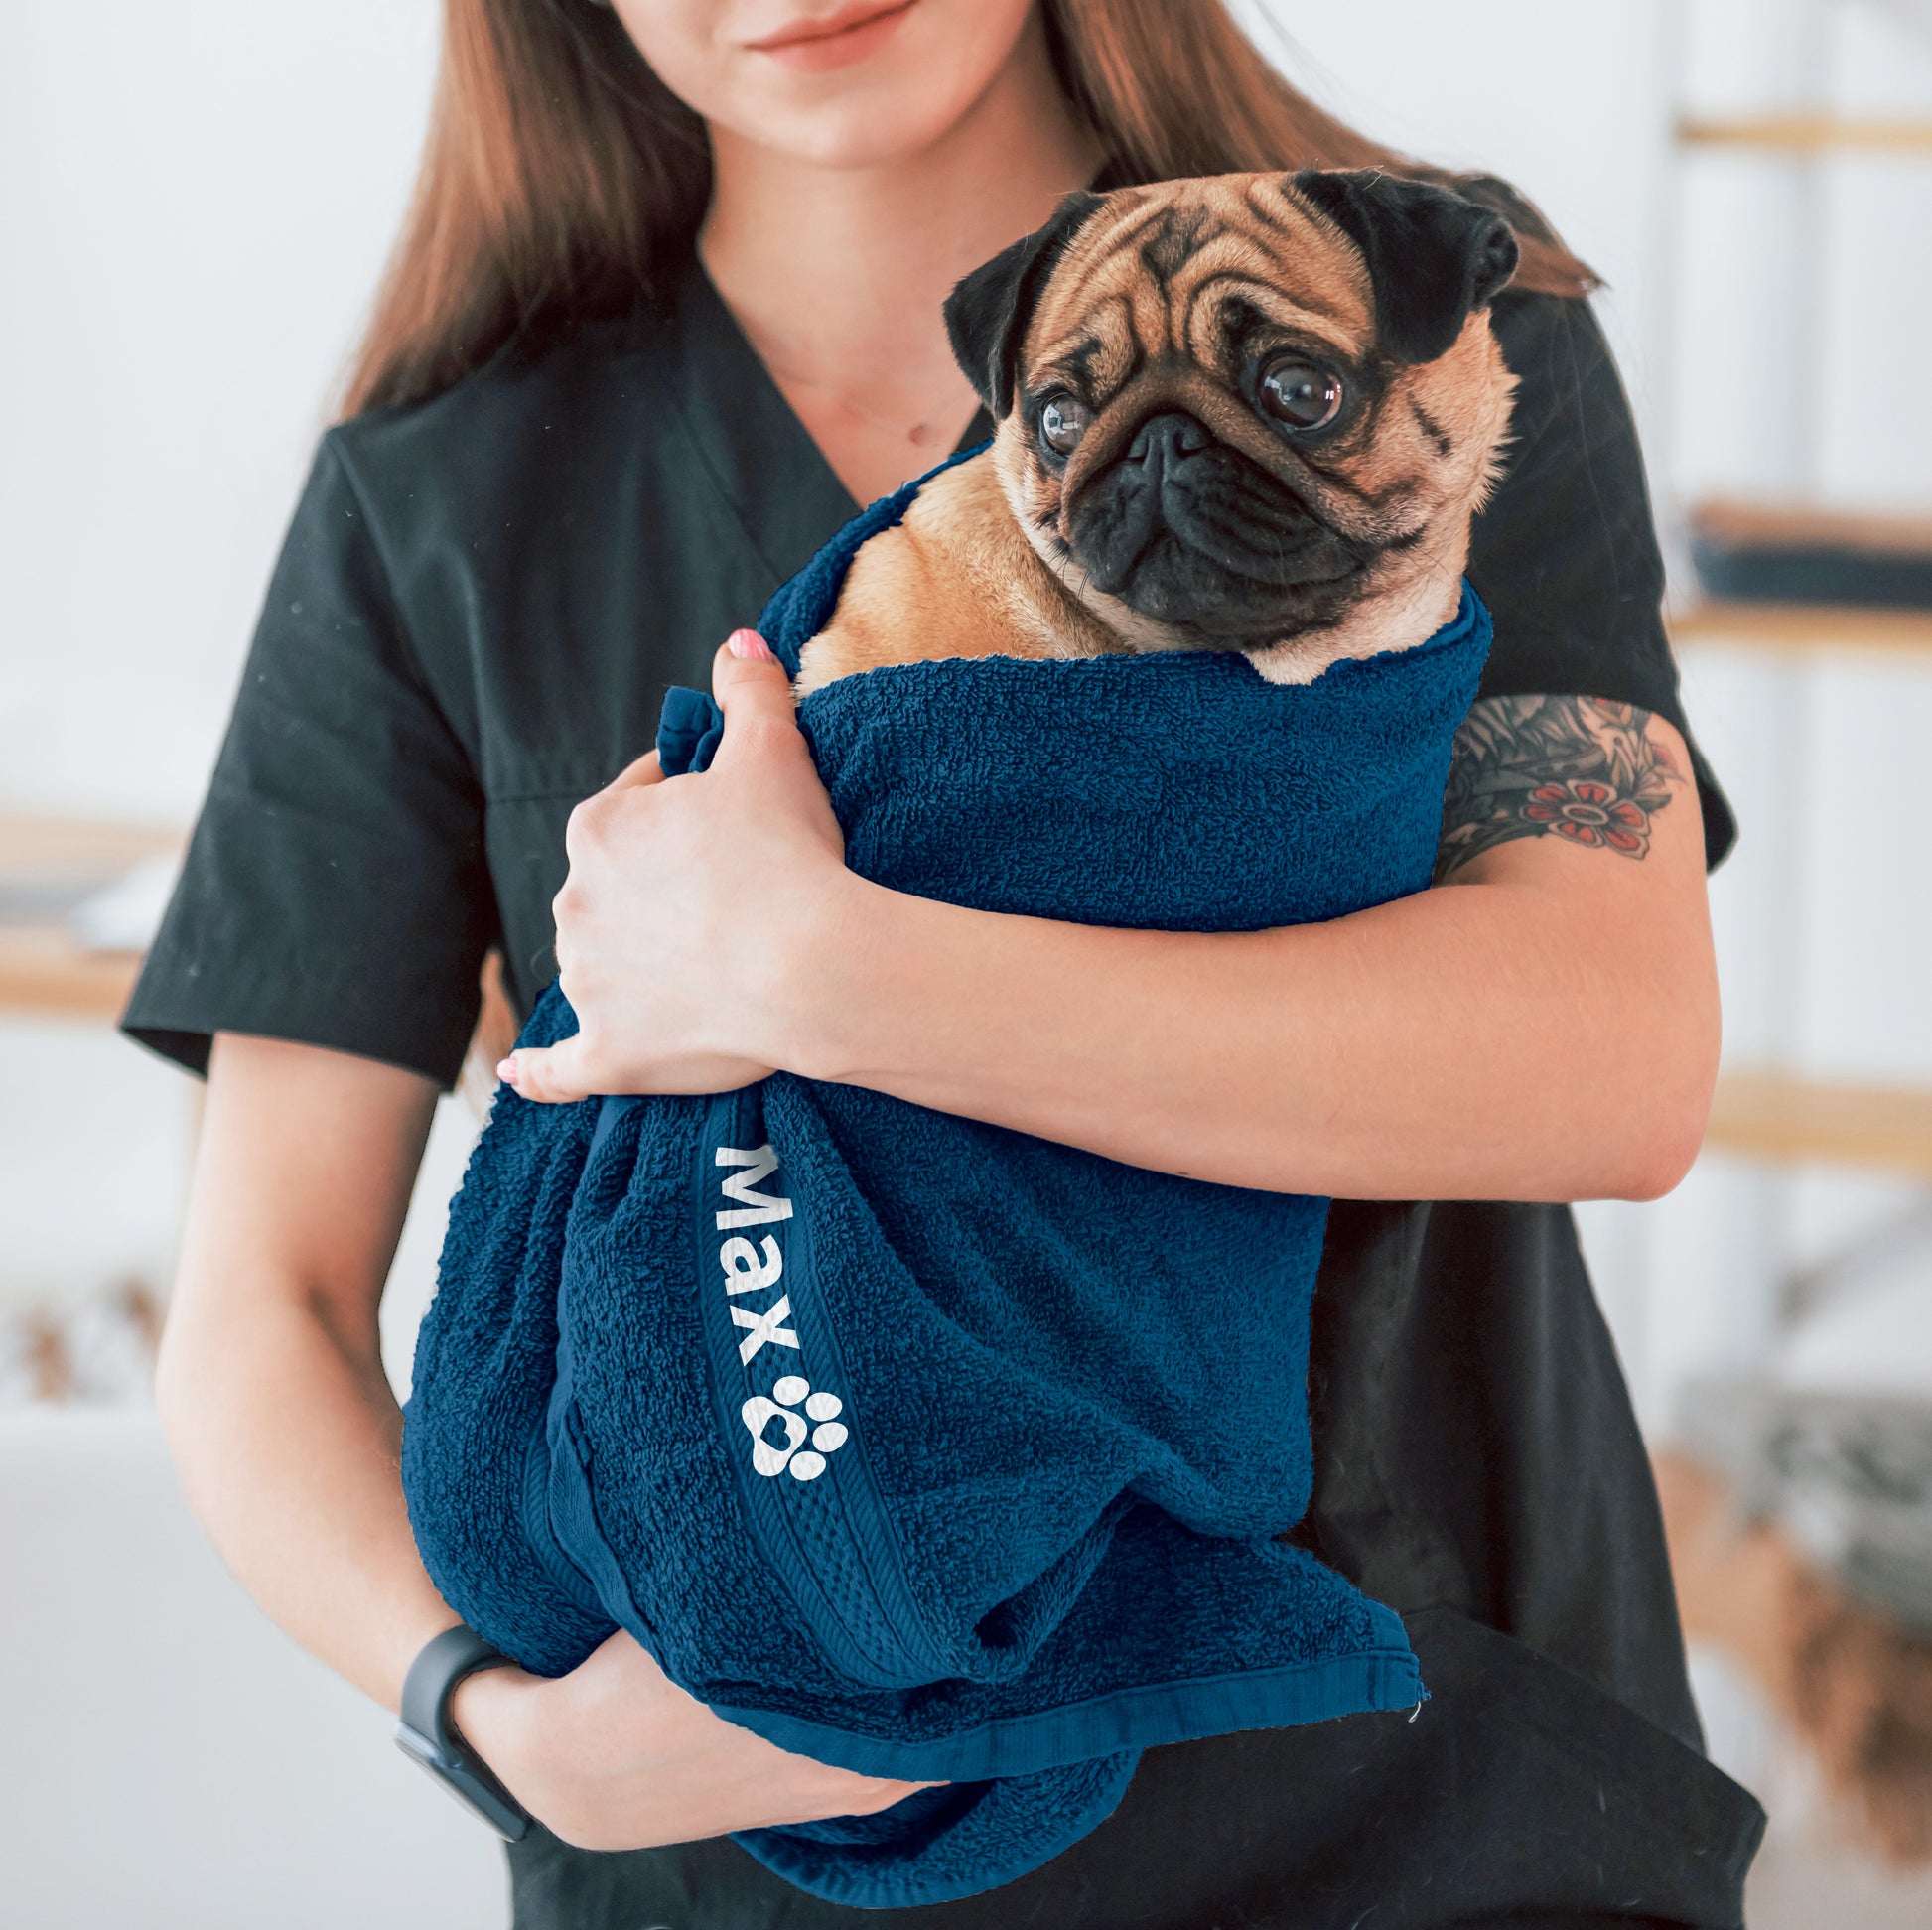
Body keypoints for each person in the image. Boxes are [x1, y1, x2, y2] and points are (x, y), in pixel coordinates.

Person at [124, 2, 1766, 1924]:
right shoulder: (441, 501)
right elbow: (264, 1306)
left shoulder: (1433, 309)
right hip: (754, 1845)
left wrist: (819, 972)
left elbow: (1610, 1060)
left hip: (1430, 1801)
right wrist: (502, 1724)